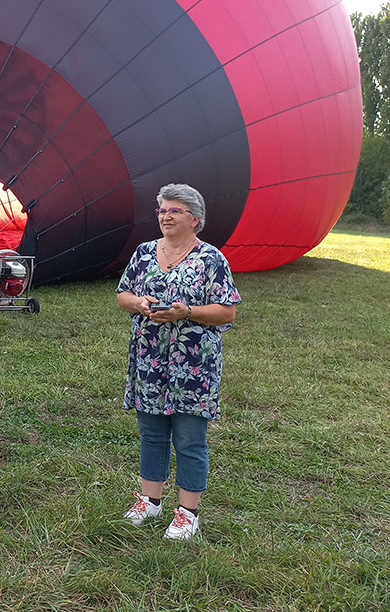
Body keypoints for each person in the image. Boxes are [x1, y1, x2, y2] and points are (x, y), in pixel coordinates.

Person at [116, 183, 240, 539]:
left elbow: (227, 311)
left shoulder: (211, 259)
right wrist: (139, 303)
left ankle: (187, 512)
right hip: (149, 359)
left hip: (193, 365)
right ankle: (150, 501)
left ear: (195, 219)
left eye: (174, 210)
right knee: (151, 434)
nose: (165, 216)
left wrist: (187, 312)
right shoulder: (143, 253)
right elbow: (122, 294)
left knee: (189, 439)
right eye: (162, 211)